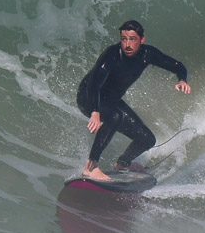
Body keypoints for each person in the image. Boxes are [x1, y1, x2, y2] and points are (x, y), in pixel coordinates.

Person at [76, 20, 191, 181]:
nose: (128, 44)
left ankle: (123, 163)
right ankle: (91, 166)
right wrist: (95, 111)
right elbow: (94, 83)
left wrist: (182, 80)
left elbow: (177, 65)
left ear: (142, 40)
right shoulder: (112, 55)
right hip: (89, 96)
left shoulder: (147, 54)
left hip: (111, 100)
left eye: (132, 39)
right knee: (115, 116)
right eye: (124, 39)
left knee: (147, 139)